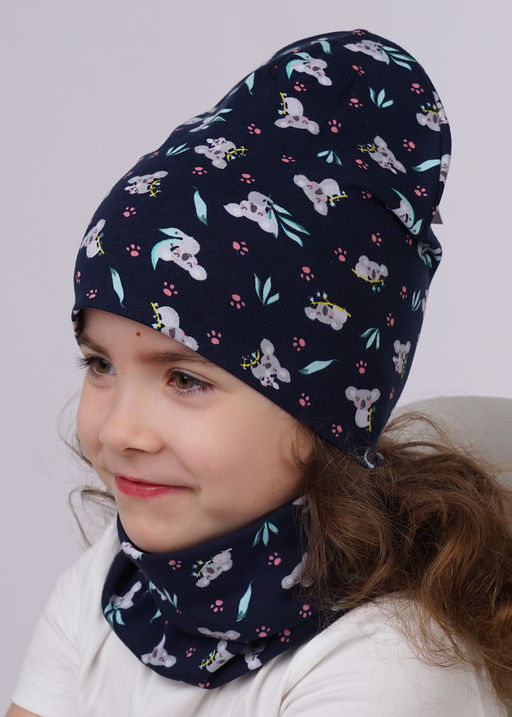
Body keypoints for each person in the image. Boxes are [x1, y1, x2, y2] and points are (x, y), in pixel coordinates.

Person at [7, 29, 512, 716]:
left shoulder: (383, 672)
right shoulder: (118, 586)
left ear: (322, 408)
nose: (119, 431)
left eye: (185, 379)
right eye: (100, 363)